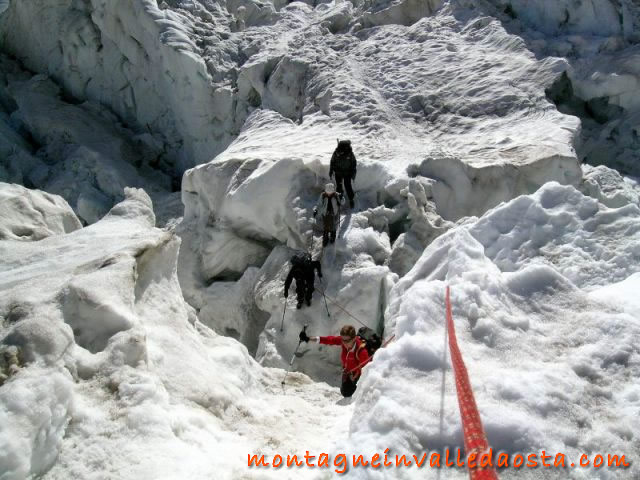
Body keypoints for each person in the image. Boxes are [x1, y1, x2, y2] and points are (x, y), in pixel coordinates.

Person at [299, 325, 370, 397]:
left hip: (357, 375)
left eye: (347, 341)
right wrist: (308, 339)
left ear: (354, 338)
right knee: (345, 392)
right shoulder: (344, 342)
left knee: (350, 393)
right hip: (348, 372)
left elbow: (366, 371)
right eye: (343, 340)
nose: (344, 343)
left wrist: (354, 378)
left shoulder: (361, 351)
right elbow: (329, 340)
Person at [329, 140, 357, 209]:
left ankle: (351, 199)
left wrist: (353, 173)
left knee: (348, 186)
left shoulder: (350, 154)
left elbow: (354, 163)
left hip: (347, 173)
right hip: (338, 173)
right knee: (339, 186)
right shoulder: (336, 153)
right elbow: (332, 161)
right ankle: (339, 199)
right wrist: (331, 170)